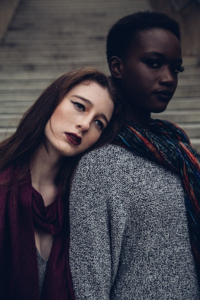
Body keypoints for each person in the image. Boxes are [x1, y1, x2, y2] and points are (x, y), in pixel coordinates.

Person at [69, 12, 200, 299]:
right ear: (117, 66)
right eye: (154, 64)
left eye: (176, 69)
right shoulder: (98, 164)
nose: (168, 78)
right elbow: (89, 282)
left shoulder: (178, 149)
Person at [0, 67, 123, 300]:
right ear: (53, 100)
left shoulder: (81, 205)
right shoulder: (3, 179)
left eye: (99, 123)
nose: (85, 124)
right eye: (79, 106)